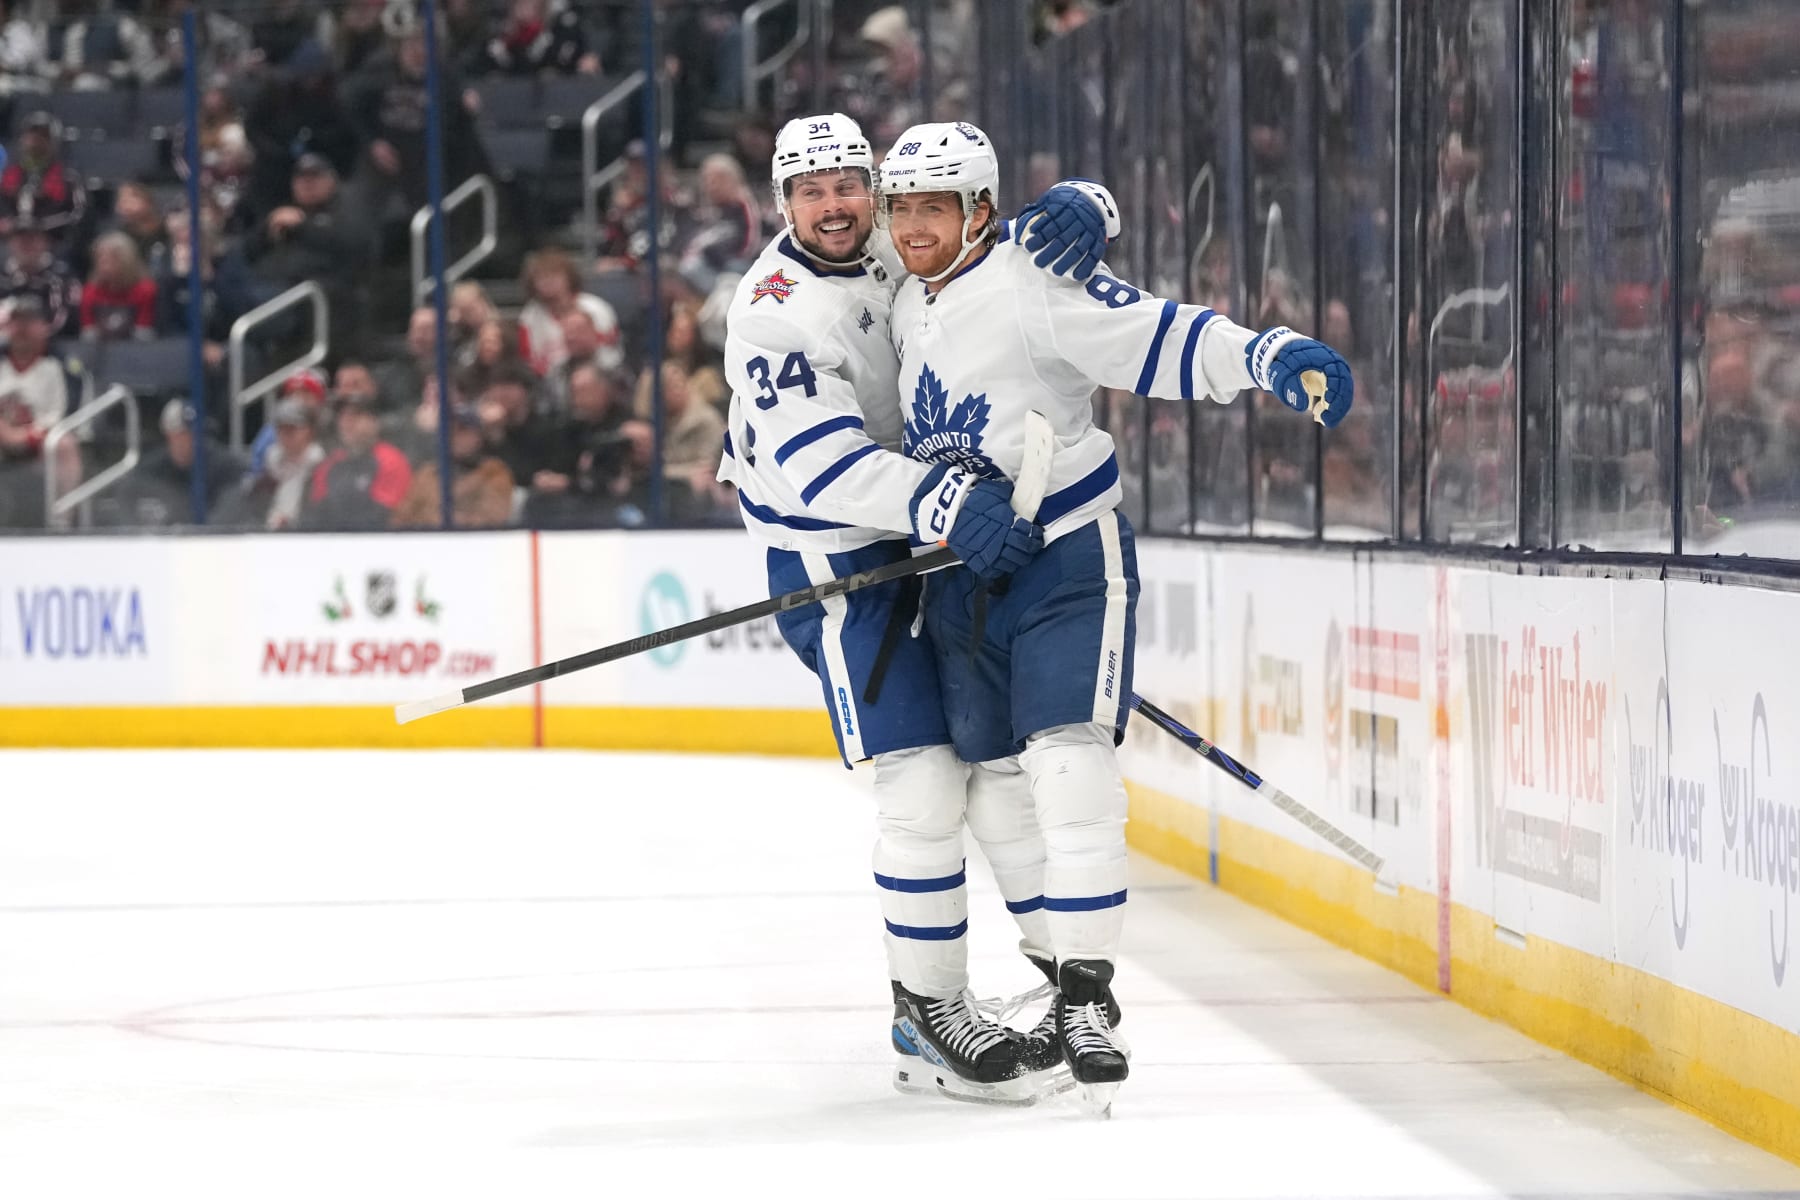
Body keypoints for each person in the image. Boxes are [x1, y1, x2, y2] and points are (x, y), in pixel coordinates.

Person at [877, 120, 1354, 1110]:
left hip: (1063, 557)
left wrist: (1264, 355)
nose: (912, 226)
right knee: (995, 778)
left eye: (933, 206)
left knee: (1067, 758)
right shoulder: (897, 296)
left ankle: (1088, 997)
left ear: (981, 209)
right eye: (900, 207)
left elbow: (1154, 335)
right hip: (962, 577)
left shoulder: (1031, 279)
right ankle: (1057, 972)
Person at [716, 112, 1120, 1104]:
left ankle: (1071, 980)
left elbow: (997, 250)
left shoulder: (901, 245)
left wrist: (1086, 208)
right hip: (836, 568)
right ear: (782, 204)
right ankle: (926, 1012)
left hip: (930, 544)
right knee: (924, 793)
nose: (836, 206)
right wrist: (942, 502)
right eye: (810, 192)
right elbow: (818, 468)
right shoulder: (774, 312)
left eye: (850, 184)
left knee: (996, 773)